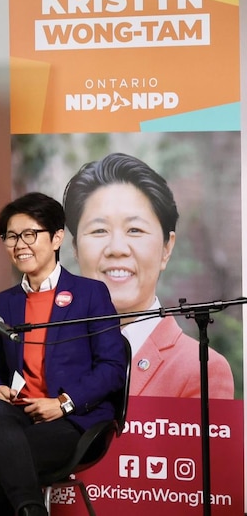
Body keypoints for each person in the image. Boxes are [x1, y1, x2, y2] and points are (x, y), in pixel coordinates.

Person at [0, 192, 127, 516]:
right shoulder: (4, 303)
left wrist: (63, 403)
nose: (20, 244)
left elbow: (113, 367)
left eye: (30, 234)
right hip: (16, 415)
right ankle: (33, 510)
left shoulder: (90, 294)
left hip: (73, 420)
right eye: (11, 237)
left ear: (57, 237)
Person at [63, 153, 234, 398]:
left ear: (166, 248)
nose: (117, 248)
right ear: (76, 249)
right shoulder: (46, 353)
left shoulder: (201, 370)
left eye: (135, 229)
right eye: (99, 230)